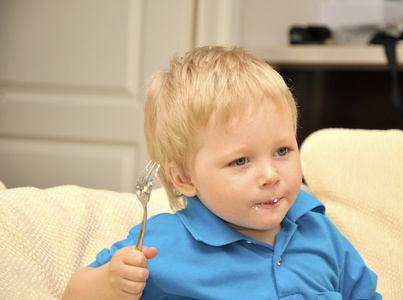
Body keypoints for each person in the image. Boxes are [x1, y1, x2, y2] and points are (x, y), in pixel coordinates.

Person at [63, 46, 381, 299]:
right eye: (241, 161)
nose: (270, 175)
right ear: (185, 179)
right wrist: (108, 283)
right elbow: (74, 295)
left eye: (282, 151)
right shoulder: (161, 244)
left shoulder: (319, 231)